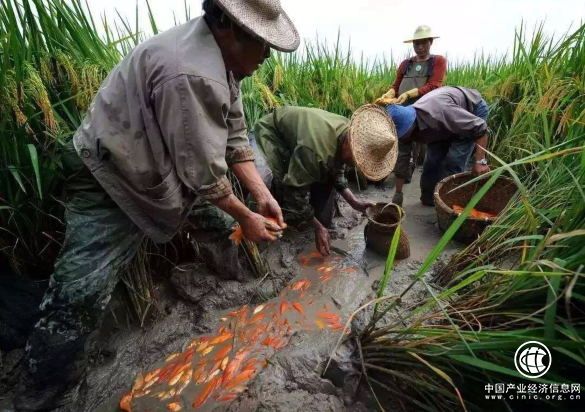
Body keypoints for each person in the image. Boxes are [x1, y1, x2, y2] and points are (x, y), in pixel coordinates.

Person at [14, 0, 299, 410]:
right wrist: (247, 216)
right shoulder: (191, 71)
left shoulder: (226, 64)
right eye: (264, 44)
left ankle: (242, 283)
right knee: (80, 290)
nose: (268, 56)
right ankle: (40, 389)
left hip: (161, 169)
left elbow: (235, 134)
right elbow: (202, 174)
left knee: (219, 225)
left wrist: (261, 194)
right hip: (111, 177)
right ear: (230, 29)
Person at [254, 106, 398, 256]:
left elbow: (338, 169)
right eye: (357, 160)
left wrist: (354, 202)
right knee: (275, 185)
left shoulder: (351, 132)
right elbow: (295, 194)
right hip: (272, 135)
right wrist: (317, 227)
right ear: (349, 144)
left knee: (323, 191)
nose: (355, 165)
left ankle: (312, 220)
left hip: (303, 143)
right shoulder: (315, 151)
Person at [385, 86, 490, 207]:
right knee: (432, 160)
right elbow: (402, 160)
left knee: (454, 160)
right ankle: (429, 199)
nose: (406, 139)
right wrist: (398, 193)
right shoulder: (401, 125)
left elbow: (481, 128)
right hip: (443, 124)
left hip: (471, 111)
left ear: (412, 126)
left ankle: (447, 205)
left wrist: (480, 161)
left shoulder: (439, 112)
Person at [375, 25, 447, 194]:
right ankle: (402, 173)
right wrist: (389, 93)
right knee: (402, 141)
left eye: (423, 43)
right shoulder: (406, 64)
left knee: (420, 142)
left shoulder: (438, 61)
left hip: (423, 109)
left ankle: (416, 171)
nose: (420, 47)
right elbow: (396, 85)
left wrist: (410, 93)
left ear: (430, 42)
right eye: (416, 44)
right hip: (402, 107)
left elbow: (434, 85)